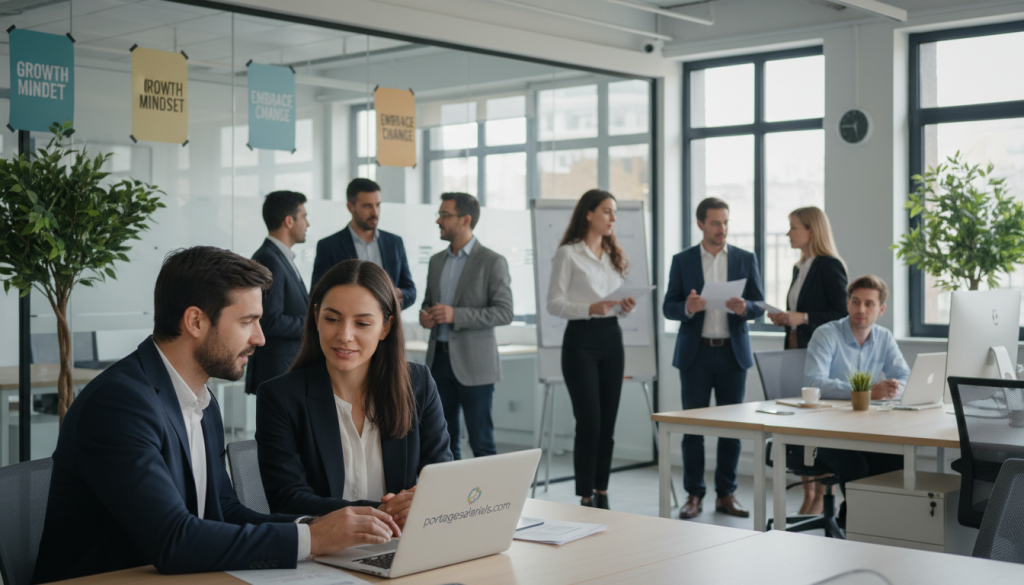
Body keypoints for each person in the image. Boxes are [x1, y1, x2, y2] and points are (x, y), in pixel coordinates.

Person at [33, 247, 400, 584]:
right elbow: (173, 540)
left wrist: (322, 526)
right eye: (247, 322)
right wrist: (312, 538)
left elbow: (223, 510)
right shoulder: (119, 405)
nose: (260, 338)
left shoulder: (201, 400)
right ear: (195, 321)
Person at [256, 259, 452, 525]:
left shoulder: (417, 384)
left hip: (401, 546)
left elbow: (442, 478)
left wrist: (423, 501)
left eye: (362, 323)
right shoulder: (280, 397)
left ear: (385, 327)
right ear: (316, 318)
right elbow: (288, 498)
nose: (345, 335)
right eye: (332, 319)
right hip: (324, 553)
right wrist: (384, 512)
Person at [663, 197, 765, 521]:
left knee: (731, 428)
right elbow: (669, 306)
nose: (722, 229)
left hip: (733, 354)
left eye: (725, 222)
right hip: (697, 354)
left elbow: (760, 305)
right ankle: (694, 494)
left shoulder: (745, 259)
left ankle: (726, 494)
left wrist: (746, 308)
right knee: (692, 428)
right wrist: (687, 309)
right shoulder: (682, 261)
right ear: (700, 224)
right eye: (715, 223)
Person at [547, 189, 637, 510]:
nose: (613, 219)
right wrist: (591, 308)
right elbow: (554, 304)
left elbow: (614, 306)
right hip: (580, 342)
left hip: (612, 338)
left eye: (614, 213)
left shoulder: (613, 255)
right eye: (607, 211)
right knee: (589, 423)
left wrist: (623, 307)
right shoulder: (568, 254)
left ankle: (602, 490)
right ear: (589, 214)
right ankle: (585, 493)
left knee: (608, 424)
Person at [419, 192, 513, 460]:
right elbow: (428, 302)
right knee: (442, 442)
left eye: (445, 215)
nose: (439, 220)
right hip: (438, 360)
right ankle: (451, 501)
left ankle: (492, 501)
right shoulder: (436, 261)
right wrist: (426, 315)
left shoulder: (492, 261)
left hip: (476, 365)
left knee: (481, 441)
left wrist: (455, 315)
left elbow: (504, 312)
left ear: (466, 220)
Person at [766, 205, 848, 515]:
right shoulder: (800, 267)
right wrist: (788, 319)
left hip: (818, 356)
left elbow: (842, 314)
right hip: (794, 351)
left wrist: (804, 317)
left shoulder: (829, 266)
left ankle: (821, 495)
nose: (789, 233)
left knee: (818, 425)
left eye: (794, 227)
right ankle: (807, 493)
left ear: (811, 230)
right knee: (797, 424)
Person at [804, 274, 911, 502]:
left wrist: (893, 389)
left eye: (869, 303)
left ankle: (872, 524)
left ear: (881, 310)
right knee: (856, 465)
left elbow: (904, 375)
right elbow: (814, 382)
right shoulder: (826, 334)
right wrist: (868, 392)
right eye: (855, 301)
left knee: (895, 460)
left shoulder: (884, 337)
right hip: (825, 431)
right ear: (847, 304)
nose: (860, 308)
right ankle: (852, 520)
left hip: (867, 428)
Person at [312, 178, 416, 309]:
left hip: (387, 324)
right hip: (348, 325)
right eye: (367, 206)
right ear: (351, 207)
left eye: (378, 205)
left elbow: (410, 290)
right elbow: (317, 294)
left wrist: (400, 294)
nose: (375, 212)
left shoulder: (394, 242)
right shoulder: (329, 246)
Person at [246, 190, 310, 395]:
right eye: (304, 217)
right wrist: (313, 322)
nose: (308, 224)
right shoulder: (270, 259)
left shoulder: (278, 257)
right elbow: (270, 320)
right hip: (278, 370)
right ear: (289, 221)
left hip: (283, 369)